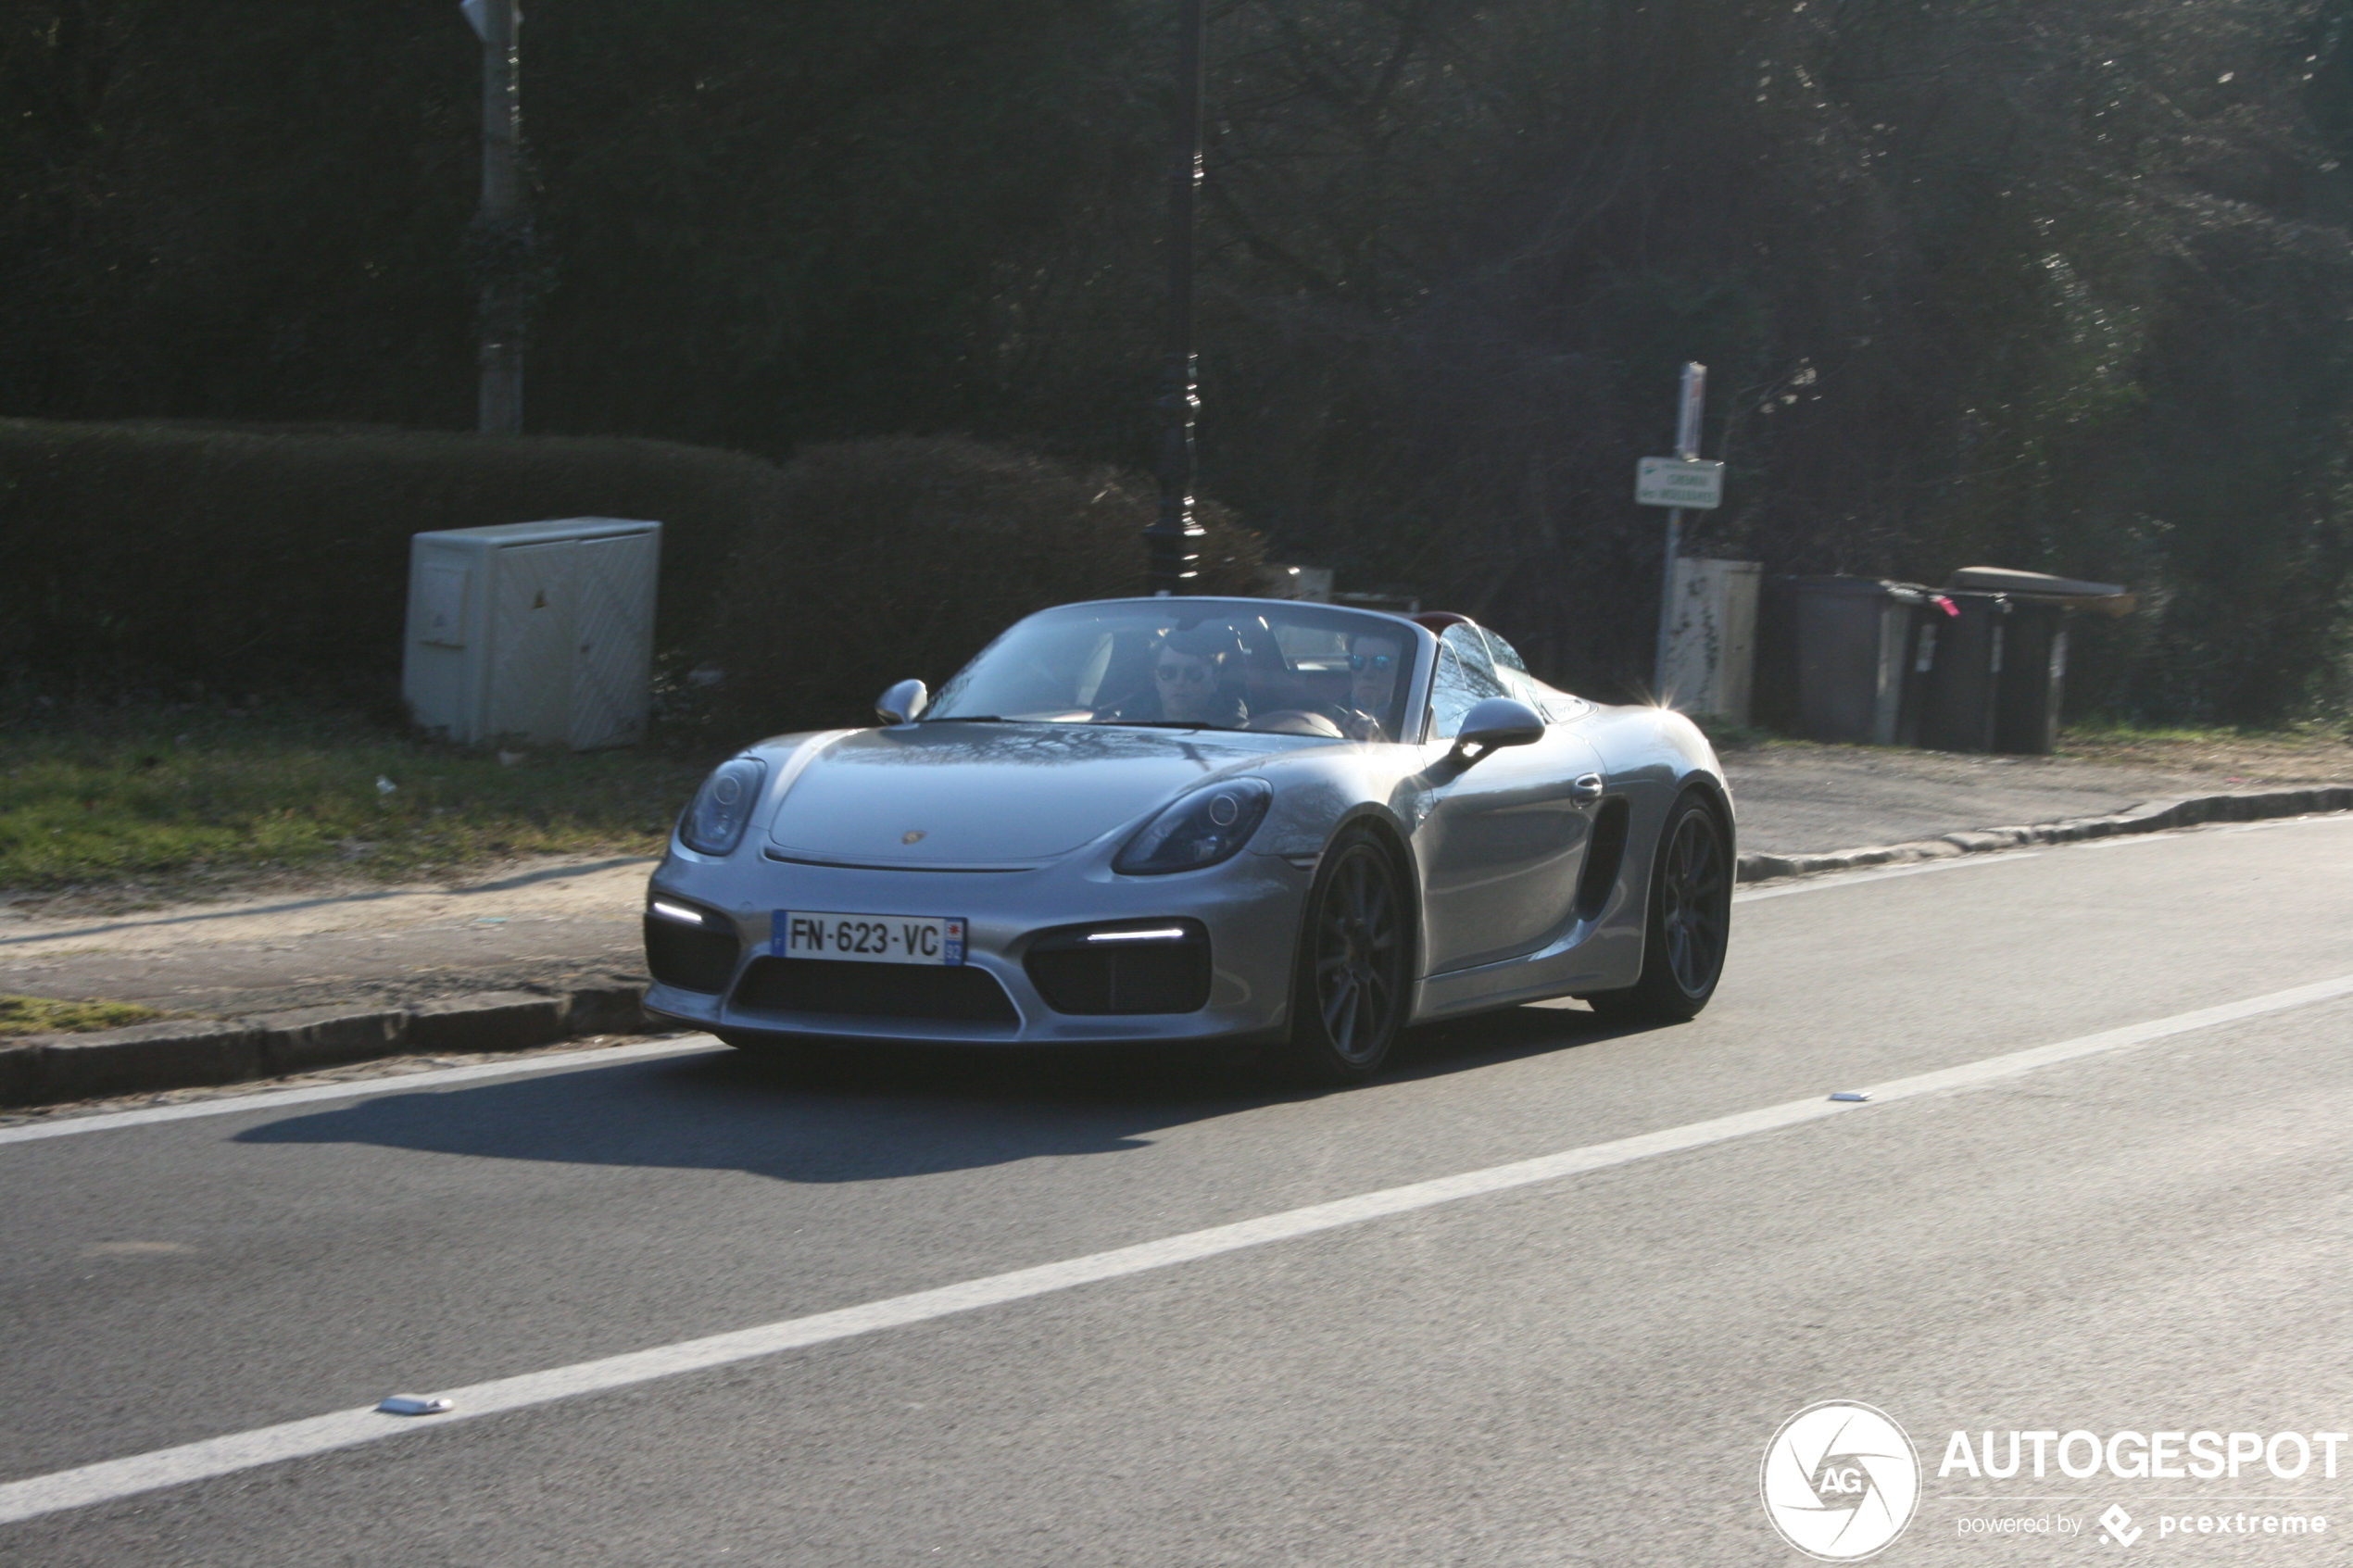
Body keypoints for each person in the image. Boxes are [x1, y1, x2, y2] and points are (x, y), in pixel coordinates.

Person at [1100, 624, 1249, 728]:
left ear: (1215, 681)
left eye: (1193, 673)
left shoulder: (1241, 731)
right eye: (1168, 672)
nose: (1179, 682)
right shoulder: (1126, 725)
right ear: (1156, 678)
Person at [1339, 630, 1404, 741]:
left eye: (1381, 662)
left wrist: (1381, 737)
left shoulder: (1414, 719)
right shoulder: (1328, 715)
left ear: (1401, 668)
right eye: (1357, 661)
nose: (1367, 673)